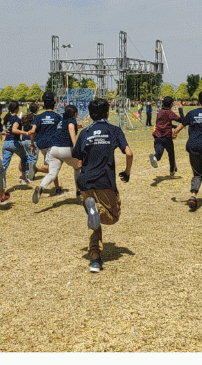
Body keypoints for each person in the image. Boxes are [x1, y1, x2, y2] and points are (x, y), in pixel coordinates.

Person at [73, 97, 132, 273]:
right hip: (104, 180)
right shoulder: (113, 130)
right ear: (107, 113)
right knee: (113, 217)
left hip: (85, 181)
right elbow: (129, 153)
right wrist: (127, 172)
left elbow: (78, 162)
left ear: (90, 115)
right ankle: (95, 210)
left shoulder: (84, 133)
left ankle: (95, 259)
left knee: (94, 222)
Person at [30, 96, 78, 202]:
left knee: (52, 172)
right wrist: (75, 146)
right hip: (62, 147)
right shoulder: (64, 119)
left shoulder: (43, 117)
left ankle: (41, 187)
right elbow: (70, 127)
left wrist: (32, 144)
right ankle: (78, 191)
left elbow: (33, 131)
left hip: (51, 149)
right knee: (78, 167)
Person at [0, 100, 36, 191]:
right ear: (17, 109)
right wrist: (26, 133)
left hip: (6, 143)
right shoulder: (16, 118)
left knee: (5, 164)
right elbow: (14, 130)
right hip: (14, 142)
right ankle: (23, 178)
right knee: (25, 158)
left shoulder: (7, 117)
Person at [148, 95, 182, 174]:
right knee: (171, 153)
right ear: (171, 105)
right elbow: (182, 120)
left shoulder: (160, 112)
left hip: (157, 135)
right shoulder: (169, 112)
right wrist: (180, 109)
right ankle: (172, 170)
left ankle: (155, 157)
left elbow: (161, 123)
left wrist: (172, 126)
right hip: (166, 137)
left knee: (159, 152)